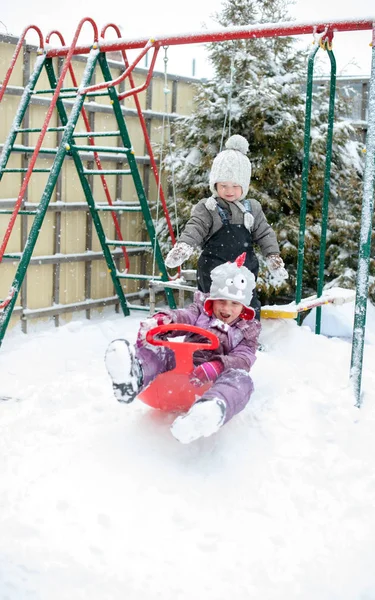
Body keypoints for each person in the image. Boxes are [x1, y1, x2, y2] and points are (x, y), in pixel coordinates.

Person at [105, 253, 261, 444]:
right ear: (212, 300)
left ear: (243, 306)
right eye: (221, 300)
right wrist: (166, 319)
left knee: (242, 380)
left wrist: (218, 366)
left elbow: (244, 357)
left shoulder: (246, 330)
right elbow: (184, 316)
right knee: (161, 351)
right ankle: (133, 375)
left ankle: (210, 410)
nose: (226, 308)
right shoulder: (201, 312)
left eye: (234, 303)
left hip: (214, 380)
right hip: (183, 366)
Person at [164, 134, 288, 319]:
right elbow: (195, 227)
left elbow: (264, 233)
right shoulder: (208, 208)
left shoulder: (252, 208)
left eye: (235, 186)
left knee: (247, 303)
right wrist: (184, 246)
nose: (229, 191)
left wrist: (272, 256)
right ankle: (210, 336)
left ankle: (246, 339)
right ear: (215, 184)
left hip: (244, 272)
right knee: (211, 305)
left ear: (244, 186)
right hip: (213, 271)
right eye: (223, 185)